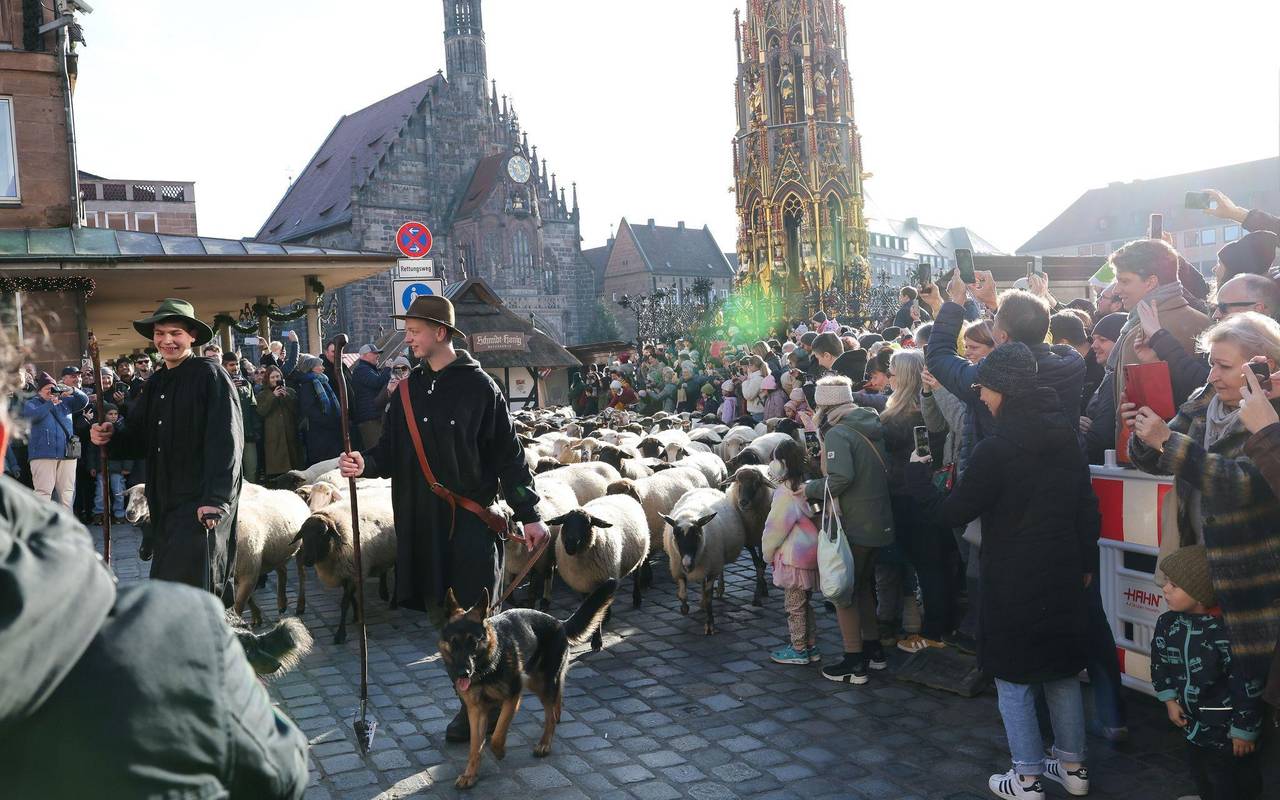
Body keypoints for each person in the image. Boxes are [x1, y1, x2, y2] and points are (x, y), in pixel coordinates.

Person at [337, 294, 549, 742]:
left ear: (441, 333)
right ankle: (470, 701)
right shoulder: (408, 390)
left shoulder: (480, 387)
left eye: (415, 330)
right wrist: (364, 463)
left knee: (474, 623)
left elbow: (510, 457)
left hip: (471, 526)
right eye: (408, 330)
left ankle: (485, 703)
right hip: (421, 526)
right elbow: (391, 452)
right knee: (443, 621)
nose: (408, 338)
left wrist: (530, 514)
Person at [908, 343, 1097, 799]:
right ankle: (1073, 768)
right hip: (1063, 567)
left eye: (984, 388)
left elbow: (955, 511)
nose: (982, 397)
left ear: (1003, 391)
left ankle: (1027, 776)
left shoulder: (997, 449)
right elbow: (1085, 506)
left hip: (1013, 572)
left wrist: (921, 479)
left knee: (1013, 675)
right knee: (1061, 669)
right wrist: (1086, 560)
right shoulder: (1066, 434)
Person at [1124, 312, 1280, 683]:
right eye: (1211, 363)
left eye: (1224, 366)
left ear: (1263, 366)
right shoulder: (1205, 398)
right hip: (1198, 563)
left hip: (1250, 573)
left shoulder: (1271, 415)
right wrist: (1143, 431)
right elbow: (1157, 461)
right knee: (1202, 673)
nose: (1212, 376)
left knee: (1249, 683)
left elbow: (1242, 485)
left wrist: (1166, 441)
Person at [89, 299, 244, 601]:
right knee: (169, 588)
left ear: (192, 337)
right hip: (164, 503)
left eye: (175, 333)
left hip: (201, 504)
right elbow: (137, 435)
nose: (167, 340)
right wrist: (109, 436)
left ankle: (210, 645)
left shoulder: (210, 376)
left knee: (199, 587)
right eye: (160, 334)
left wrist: (215, 499)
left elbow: (227, 441)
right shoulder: (156, 382)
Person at [1151, 545, 1264, 800]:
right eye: (1167, 581)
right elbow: (1159, 664)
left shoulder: (1227, 633)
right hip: (1192, 725)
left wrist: (1244, 730)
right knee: (1198, 770)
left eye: (1174, 585)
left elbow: (1246, 682)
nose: (1165, 588)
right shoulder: (1167, 624)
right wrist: (1169, 700)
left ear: (1200, 594)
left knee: (1229, 779)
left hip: (1226, 730)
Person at [804, 375, 894, 685]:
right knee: (862, 586)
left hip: (854, 523)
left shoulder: (839, 433)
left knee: (843, 591)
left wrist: (809, 488)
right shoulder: (868, 424)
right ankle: (874, 650)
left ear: (824, 405)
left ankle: (854, 661)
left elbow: (840, 479)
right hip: (878, 519)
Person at [880, 349, 959, 653]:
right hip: (930, 492)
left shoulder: (907, 414)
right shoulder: (927, 409)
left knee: (929, 566)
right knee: (937, 564)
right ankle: (943, 625)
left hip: (910, 495)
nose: (889, 375)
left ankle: (934, 630)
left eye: (893, 370)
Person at [1111, 239, 1211, 436]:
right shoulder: (1205, 321)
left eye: (1124, 281)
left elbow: (1133, 417)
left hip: (1151, 455)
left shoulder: (1140, 335)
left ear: (1151, 282)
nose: (1116, 290)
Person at [762, 437, 821, 665]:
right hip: (810, 554)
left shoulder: (786, 492)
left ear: (782, 464)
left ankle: (798, 649)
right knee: (805, 603)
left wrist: (768, 552)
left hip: (793, 558)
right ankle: (810, 644)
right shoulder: (808, 486)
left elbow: (775, 526)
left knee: (794, 606)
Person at [21, 372, 88, 508]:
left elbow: (84, 401)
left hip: (67, 454)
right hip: (42, 455)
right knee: (43, 493)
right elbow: (32, 416)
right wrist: (50, 404)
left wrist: (73, 390)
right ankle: (43, 527)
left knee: (67, 493)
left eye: (54, 389)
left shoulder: (65, 403)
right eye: (47, 389)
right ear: (39, 391)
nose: (51, 392)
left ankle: (67, 525)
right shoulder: (31, 403)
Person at [1079, 313, 1127, 464]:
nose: (1094, 345)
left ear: (1120, 343)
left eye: (1103, 340)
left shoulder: (1114, 378)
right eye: (1093, 340)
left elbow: (1101, 439)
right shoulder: (1108, 374)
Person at [255, 365, 301, 481]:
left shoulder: (290, 391)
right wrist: (273, 397)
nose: (275, 379)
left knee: (293, 470)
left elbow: (297, 411)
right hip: (273, 437)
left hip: (289, 434)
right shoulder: (262, 395)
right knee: (276, 470)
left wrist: (287, 397)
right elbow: (261, 412)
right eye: (272, 377)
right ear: (268, 379)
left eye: (277, 376)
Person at [295, 355, 343, 465]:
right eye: (320, 365)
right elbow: (309, 408)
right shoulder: (307, 385)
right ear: (312, 368)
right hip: (318, 431)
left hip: (330, 428)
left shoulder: (323, 381)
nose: (323, 368)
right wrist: (325, 419)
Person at [223, 352, 261, 484]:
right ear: (224, 366)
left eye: (237, 364)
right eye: (231, 365)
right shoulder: (219, 384)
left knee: (252, 469)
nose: (235, 367)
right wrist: (229, 388)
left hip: (248, 433)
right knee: (233, 471)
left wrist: (255, 430)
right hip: (229, 436)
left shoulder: (247, 384)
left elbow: (253, 407)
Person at [89, 403, 130, 524]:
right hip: (101, 467)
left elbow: (127, 450)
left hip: (117, 467)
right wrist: (92, 466)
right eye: (110, 414)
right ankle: (99, 514)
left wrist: (127, 466)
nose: (113, 416)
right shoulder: (98, 428)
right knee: (100, 493)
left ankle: (119, 514)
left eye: (115, 414)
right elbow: (92, 451)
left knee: (119, 492)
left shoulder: (122, 429)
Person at [351, 343, 391, 449]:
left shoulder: (369, 369)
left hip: (373, 416)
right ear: (363, 356)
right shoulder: (361, 370)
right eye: (374, 353)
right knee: (375, 449)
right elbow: (377, 382)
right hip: (369, 419)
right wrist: (387, 369)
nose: (377, 355)